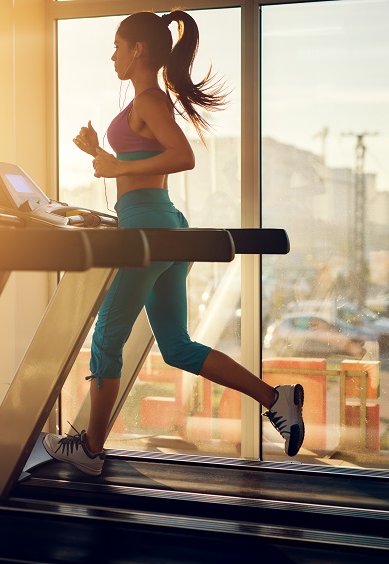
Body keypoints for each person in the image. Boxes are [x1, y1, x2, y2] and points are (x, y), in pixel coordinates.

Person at [42, 10, 305, 476]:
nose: (113, 55)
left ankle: (89, 450)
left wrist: (115, 167)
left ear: (137, 50)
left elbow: (182, 156)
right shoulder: (146, 102)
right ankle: (275, 398)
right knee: (177, 347)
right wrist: (100, 154)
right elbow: (146, 157)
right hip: (162, 225)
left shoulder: (149, 100)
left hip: (148, 229)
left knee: (106, 338)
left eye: (118, 46)